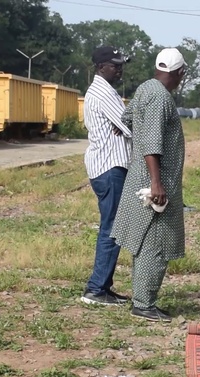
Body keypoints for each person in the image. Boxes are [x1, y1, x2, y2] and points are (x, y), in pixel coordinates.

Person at [112, 48, 187, 322]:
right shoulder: (160, 97)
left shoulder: (145, 88)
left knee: (146, 241)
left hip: (143, 176)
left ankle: (142, 299)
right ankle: (144, 303)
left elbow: (125, 119)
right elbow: (153, 143)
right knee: (156, 243)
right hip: (154, 182)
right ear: (180, 73)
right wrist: (156, 183)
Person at [80, 46, 132, 306]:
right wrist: (125, 126)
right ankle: (96, 289)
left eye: (121, 65)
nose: (120, 69)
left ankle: (103, 287)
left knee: (112, 227)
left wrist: (123, 126)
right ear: (101, 67)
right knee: (112, 229)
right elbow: (130, 125)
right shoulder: (103, 93)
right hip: (110, 167)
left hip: (107, 166)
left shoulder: (105, 91)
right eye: (115, 65)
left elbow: (124, 124)